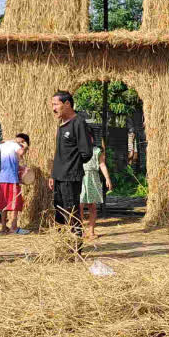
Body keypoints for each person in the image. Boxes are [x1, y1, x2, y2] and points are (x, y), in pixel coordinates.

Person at [49, 90, 93, 242]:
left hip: (71, 177)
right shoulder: (61, 125)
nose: (53, 108)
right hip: (59, 177)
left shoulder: (79, 123)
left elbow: (86, 153)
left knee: (72, 211)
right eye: (52, 104)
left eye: (56, 104)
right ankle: (61, 244)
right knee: (59, 211)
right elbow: (60, 154)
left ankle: (76, 246)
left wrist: (72, 167)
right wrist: (53, 175)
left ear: (67, 104)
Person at [0, 133, 31, 235]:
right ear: (22, 141)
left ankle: (3, 228)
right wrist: (25, 147)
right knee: (15, 203)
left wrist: (8, 140)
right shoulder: (16, 146)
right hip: (12, 179)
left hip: (2, 178)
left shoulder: (4, 145)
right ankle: (14, 227)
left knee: (4, 204)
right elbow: (21, 152)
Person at [79, 138, 113, 241]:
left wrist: (107, 179)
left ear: (92, 138)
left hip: (93, 179)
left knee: (92, 206)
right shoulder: (78, 150)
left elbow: (102, 165)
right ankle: (80, 231)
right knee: (79, 206)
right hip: (80, 178)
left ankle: (91, 231)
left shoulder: (97, 151)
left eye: (88, 136)